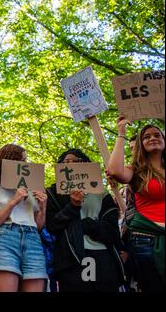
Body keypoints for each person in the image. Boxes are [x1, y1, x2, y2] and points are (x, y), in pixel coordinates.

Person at [46, 148, 124, 292]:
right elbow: (52, 225)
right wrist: (72, 207)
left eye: (75, 161)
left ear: (86, 164)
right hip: (71, 258)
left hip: (103, 256)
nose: (70, 165)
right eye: (66, 162)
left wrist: (87, 225)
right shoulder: (53, 193)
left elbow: (112, 230)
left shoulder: (101, 193)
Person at [107, 119, 165, 292]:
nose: (152, 138)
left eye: (157, 135)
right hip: (146, 238)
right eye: (146, 137)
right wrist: (121, 132)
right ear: (141, 144)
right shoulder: (136, 170)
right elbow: (114, 171)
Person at [0, 144, 48, 292]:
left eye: (25, 161)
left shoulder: (34, 188)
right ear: (8, 163)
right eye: (21, 160)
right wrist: (13, 201)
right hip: (5, 239)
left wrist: (43, 208)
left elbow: (39, 226)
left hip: (33, 240)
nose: (25, 164)